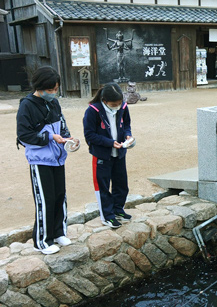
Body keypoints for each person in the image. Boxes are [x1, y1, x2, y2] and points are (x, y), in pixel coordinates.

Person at [16, 66, 73, 255]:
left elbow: (62, 126)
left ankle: (59, 233)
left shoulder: (54, 103)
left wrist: (68, 139)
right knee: (45, 199)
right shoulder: (27, 105)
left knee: (60, 196)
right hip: (40, 160)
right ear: (39, 87)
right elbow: (24, 135)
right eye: (50, 90)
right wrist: (50, 137)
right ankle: (42, 241)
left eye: (56, 89)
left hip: (58, 158)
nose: (54, 93)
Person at [83, 83, 133, 229]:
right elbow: (90, 135)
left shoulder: (123, 107)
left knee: (121, 183)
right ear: (104, 100)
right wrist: (110, 143)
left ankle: (118, 209)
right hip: (102, 155)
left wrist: (127, 135)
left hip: (120, 153)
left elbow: (127, 124)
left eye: (119, 103)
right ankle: (107, 216)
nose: (117, 106)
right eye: (113, 104)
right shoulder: (93, 111)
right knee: (103, 186)